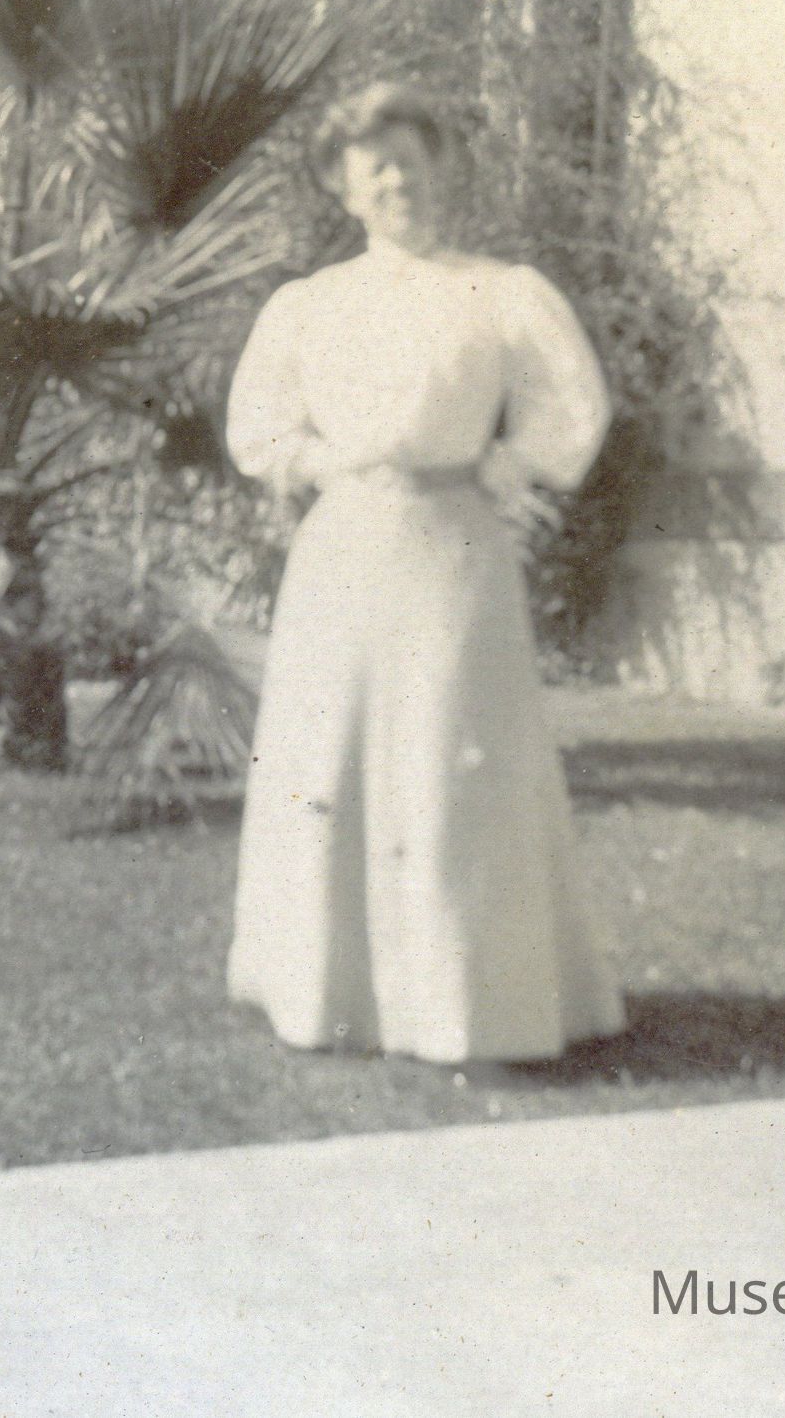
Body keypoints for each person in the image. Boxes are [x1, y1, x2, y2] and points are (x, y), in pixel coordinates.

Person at [221, 82, 627, 1067]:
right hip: (345, 547)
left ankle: (466, 1002)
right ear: (344, 186)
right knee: (328, 758)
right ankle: (328, 994)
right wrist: (324, 462)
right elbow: (261, 426)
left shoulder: (499, 291)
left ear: (443, 169)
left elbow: (570, 406)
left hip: (452, 546)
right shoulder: (310, 305)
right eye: (376, 167)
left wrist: (510, 464)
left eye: (412, 160)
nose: (398, 181)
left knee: (454, 759)